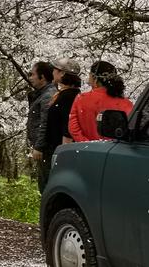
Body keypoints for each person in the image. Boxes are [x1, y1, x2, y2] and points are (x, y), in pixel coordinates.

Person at [37, 57, 82, 190]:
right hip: (55, 148)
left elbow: (66, 126)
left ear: (62, 73)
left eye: (55, 70)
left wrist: (62, 154)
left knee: (49, 187)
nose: (53, 72)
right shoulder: (67, 95)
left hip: (57, 150)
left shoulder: (67, 97)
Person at [69, 61, 134, 142]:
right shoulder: (126, 104)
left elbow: (73, 129)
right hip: (115, 151)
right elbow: (130, 129)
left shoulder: (81, 99)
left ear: (94, 77)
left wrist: (87, 144)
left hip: (86, 150)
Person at [26, 61, 56, 187]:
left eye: (32, 75)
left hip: (46, 149)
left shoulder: (48, 96)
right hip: (43, 147)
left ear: (42, 77)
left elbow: (46, 123)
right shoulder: (43, 94)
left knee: (45, 182)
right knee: (43, 181)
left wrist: (39, 147)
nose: (30, 78)